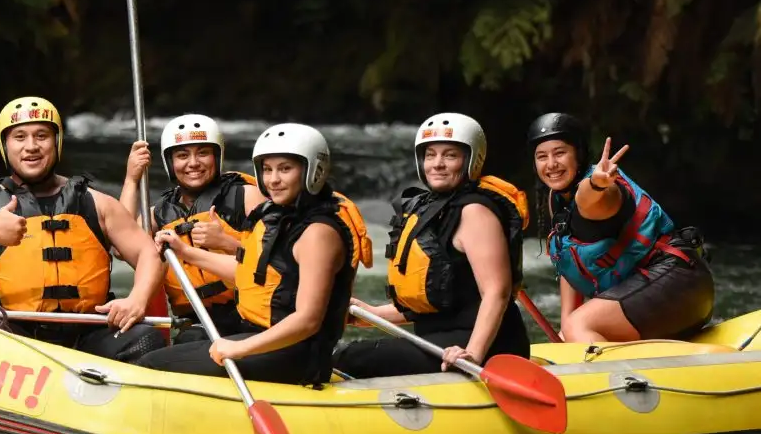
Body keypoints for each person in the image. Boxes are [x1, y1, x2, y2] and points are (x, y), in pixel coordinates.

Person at [0, 96, 166, 362]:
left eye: (42, 135)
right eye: (19, 137)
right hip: (13, 333)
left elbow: (148, 255)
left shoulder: (98, 203)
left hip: (89, 333)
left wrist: (137, 300)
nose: (31, 146)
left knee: (146, 339)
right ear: (5, 145)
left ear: (57, 141)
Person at [136, 123, 363, 385]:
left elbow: (308, 321)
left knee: (151, 365)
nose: (273, 180)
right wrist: (186, 252)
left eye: (285, 169)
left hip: (296, 356)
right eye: (267, 170)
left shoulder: (318, 233)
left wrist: (239, 349)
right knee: (173, 351)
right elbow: (249, 273)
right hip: (268, 342)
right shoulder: (281, 219)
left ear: (313, 170)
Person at [335, 112, 531, 378]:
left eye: (450, 155)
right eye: (430, 155)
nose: (437, 164)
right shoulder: (432, 210)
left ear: (472, 160)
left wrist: (472, 354)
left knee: (351, 358)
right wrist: (371, 314)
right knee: (346, 354)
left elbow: (497, 292)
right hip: (443, 339)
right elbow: (441, 302)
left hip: (489, 347)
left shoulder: (475, 212)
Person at [528, 112, 714, 342]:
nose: (551, 164)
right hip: (646, 294)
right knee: (570, 329)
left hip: (681, 284)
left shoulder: (605, 193)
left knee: (579, 324)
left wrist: (597, 184)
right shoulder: (556, 198)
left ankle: (610, 377)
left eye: (560, 153)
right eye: (541, 156)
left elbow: (588, 198)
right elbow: (569, 259)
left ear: (579, 154)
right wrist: (566, 326)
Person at [120, 114, 267, 343]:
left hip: (252, 318)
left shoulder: (245, 196)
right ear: (170, 163)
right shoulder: (159, 213)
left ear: (217, 157)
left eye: (203, 153)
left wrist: (227, 242)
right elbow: (122, 245)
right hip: (197, 325)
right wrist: (131, 179)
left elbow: (280, 264)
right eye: (182, 155)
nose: (193, 163)